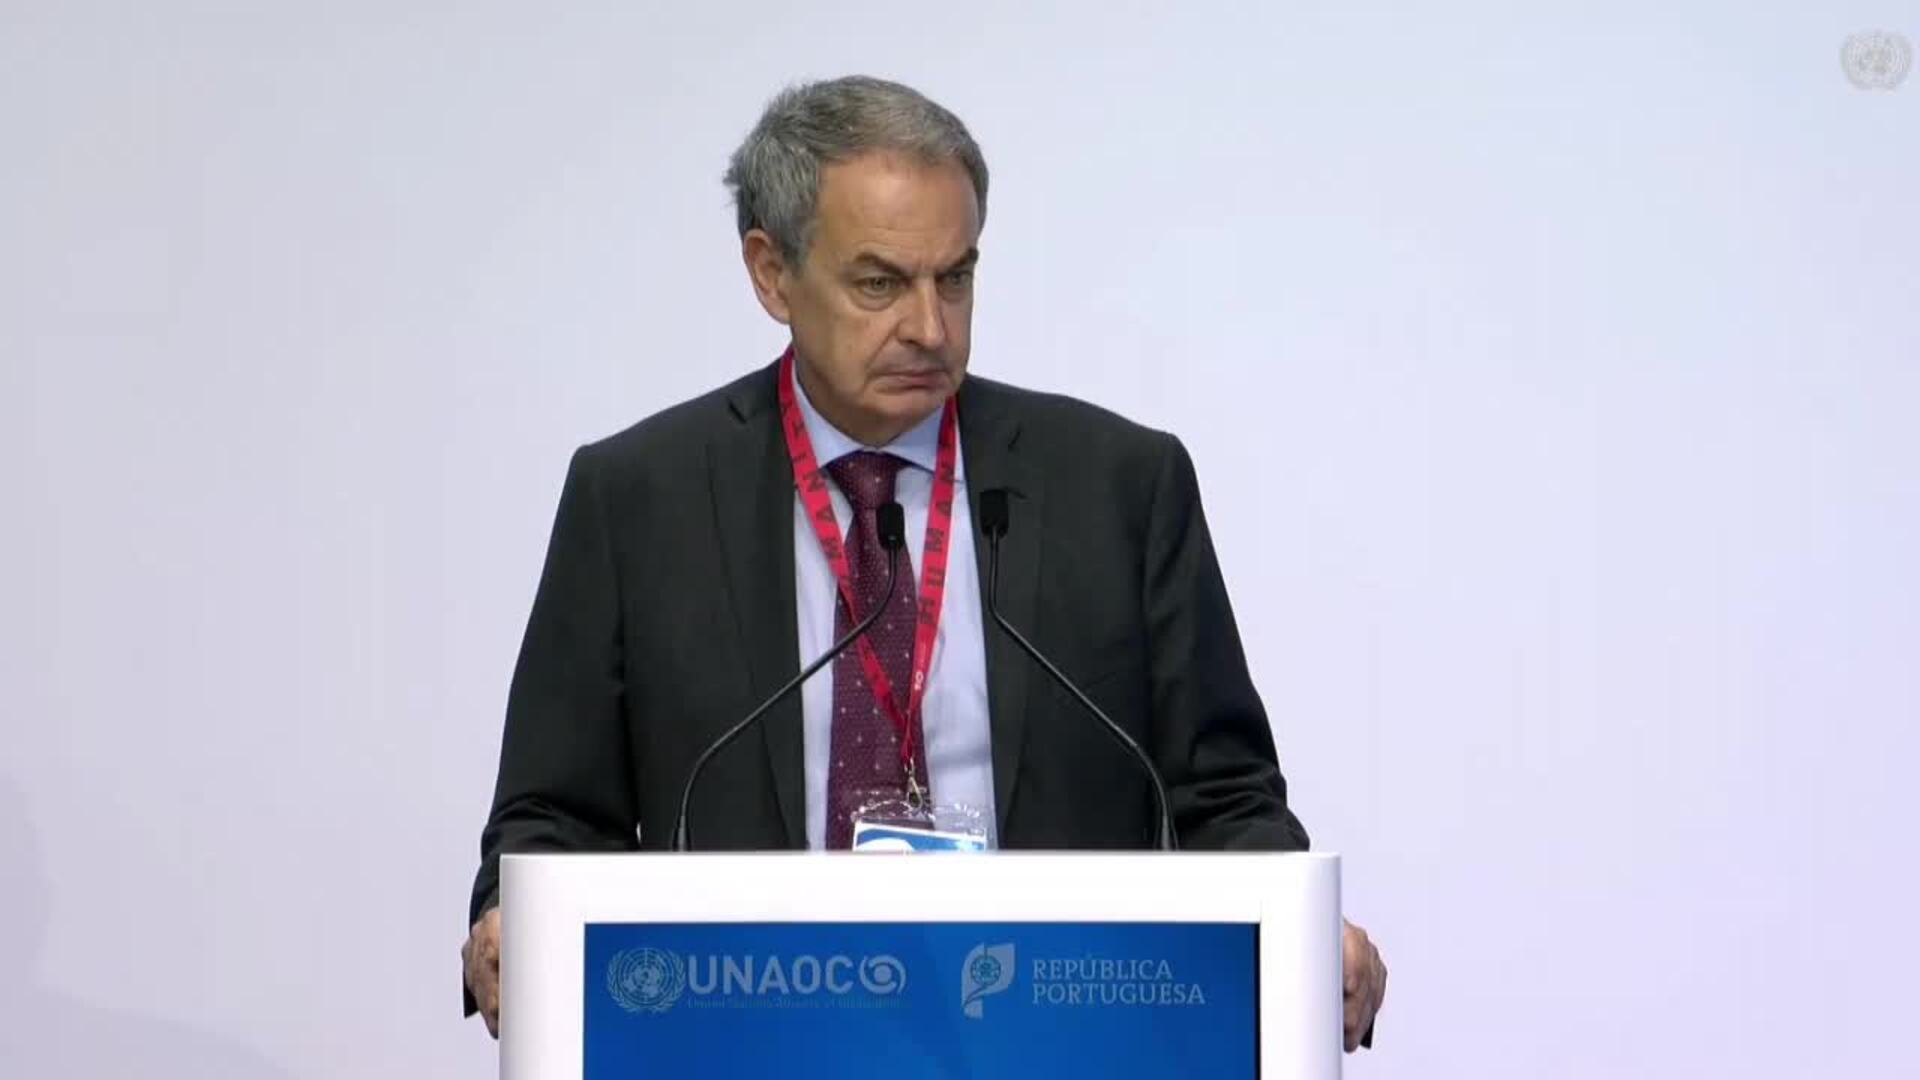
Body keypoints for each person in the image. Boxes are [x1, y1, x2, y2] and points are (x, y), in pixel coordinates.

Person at [461, 74, 1387, 1052]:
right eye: (880, 284)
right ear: (771, 274)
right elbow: (552, 815)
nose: (930, 328)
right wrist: (508, 926)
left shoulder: (1118, 484)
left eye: (955, 278)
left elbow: (1222, 797)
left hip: (1057, 1036)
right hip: (744, 1035)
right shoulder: (639, 499)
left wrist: (1304, 931)